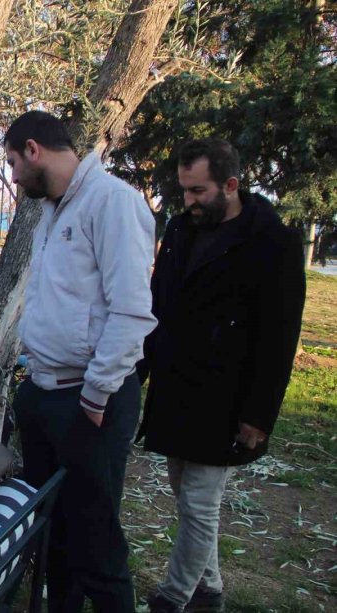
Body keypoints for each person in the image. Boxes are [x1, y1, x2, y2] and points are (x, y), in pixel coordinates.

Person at [138, 139, 305, 613]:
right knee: (182, 492)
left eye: (198, 191)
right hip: (175, 389)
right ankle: (209, 589)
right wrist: (140, 371)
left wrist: (259, 415)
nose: (188, 200)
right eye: (184, 189)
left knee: (199, 503)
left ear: (231, 185)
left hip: (227, 399)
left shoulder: (273, 240)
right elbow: (158, 307)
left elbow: (280, 337)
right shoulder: (179, 228)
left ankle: (174, 598)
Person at [5, 111, 157, 613]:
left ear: (33, 150)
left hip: (89, 399)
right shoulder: (52, 209)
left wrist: (94, 397)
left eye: (11, 163)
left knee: (95, 538)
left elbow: (132, 311)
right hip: (43, 393)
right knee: (54, 534)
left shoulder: (112, 202)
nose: (12, 176)